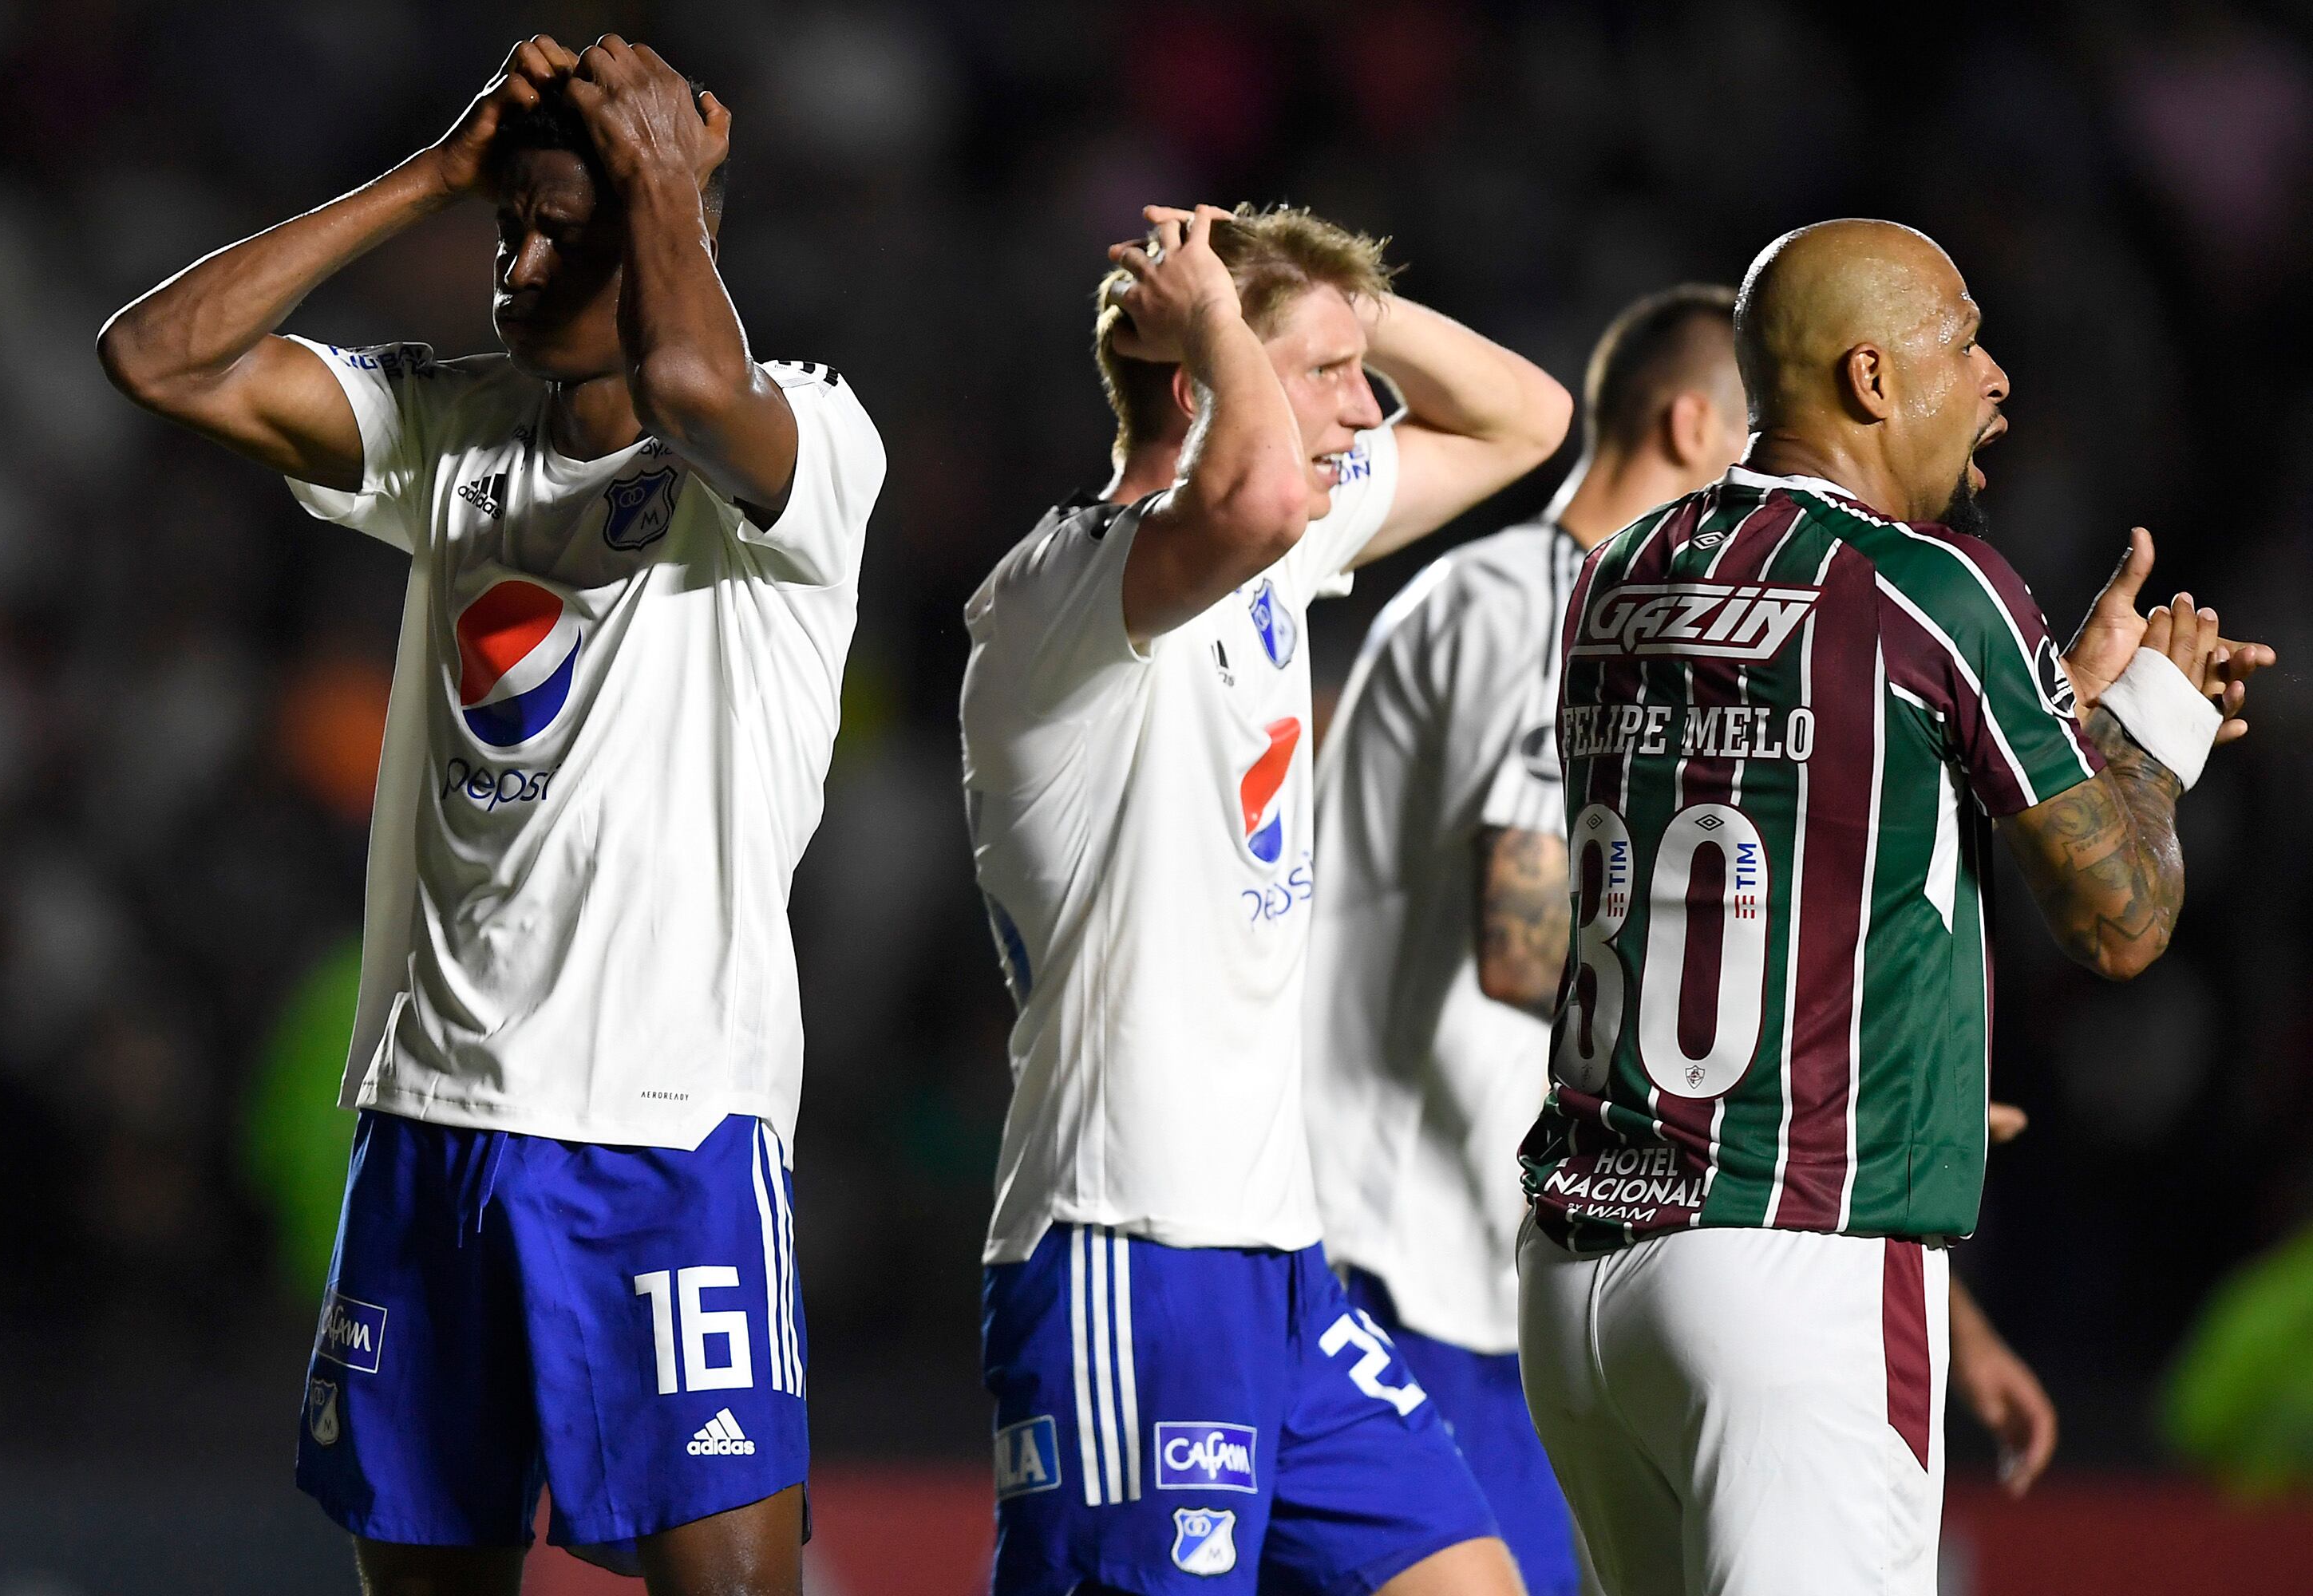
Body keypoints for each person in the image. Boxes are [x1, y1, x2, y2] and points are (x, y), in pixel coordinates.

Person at [97, 34, 884, 1596]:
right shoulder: (449, 426)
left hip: (664, 1137)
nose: (511, 262)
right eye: (503, 225)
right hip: (437, 1129)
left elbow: (685, 378)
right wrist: (431, 174)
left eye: (552, 228)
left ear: (664, 235)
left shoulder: (805, 441)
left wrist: (666, 175)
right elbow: (159, 356)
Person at [1512, 219, 2272, 1596]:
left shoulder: (1617, 576)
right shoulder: (1937, 591)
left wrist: (2057, 709)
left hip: (1579, 1277)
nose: (1994, 375)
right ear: (1871, 378)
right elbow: (2119, 921)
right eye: (1964, 337)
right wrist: (2148, 738)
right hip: (1790, 1263)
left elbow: (1820, 807)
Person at [959, 202, 1570, 1596]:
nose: (1371, 409)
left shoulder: (1274, 556)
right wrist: (1232, 324)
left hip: (1276, 1261)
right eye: (1331, 377)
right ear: (1203, 377)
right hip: (1131, 1246)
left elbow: (1526, 422)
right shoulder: (1066, 590)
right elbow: (1247, 496)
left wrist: (1332, 298)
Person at [1304, 283, 1750, 1596]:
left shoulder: (1558, 608)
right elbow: (1521, 935)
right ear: (1687, 427)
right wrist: (1749, 1029)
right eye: (1757, 452)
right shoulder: (1539, 609)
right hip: (1409, 1256)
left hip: (1470, 1260)